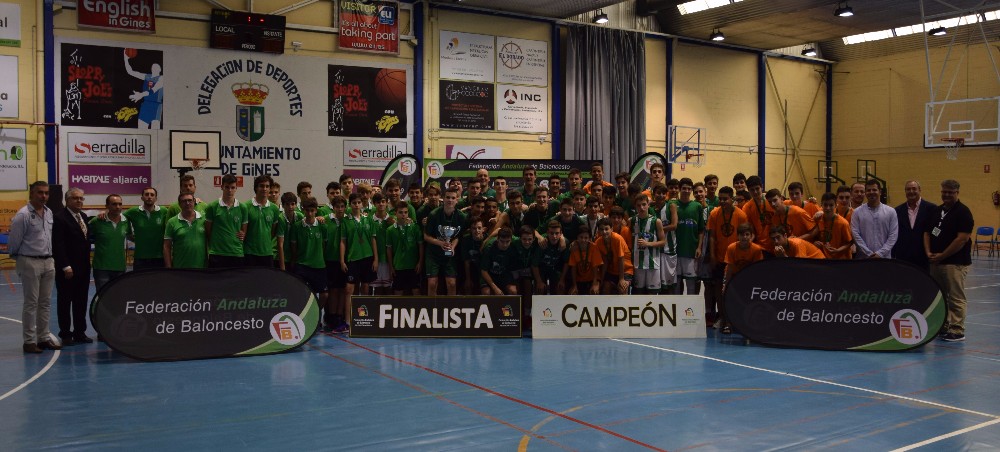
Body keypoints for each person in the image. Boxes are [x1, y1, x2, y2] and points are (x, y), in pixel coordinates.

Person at [11, 181, 60, 353]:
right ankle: (29, 341)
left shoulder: (49, 212)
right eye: (40, 193)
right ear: (31, 193)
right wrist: (22, 259)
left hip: (48, 261)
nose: (44, 196)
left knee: (45, 303)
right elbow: (14, 242)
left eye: (46, 193)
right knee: (31, 303)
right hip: (29, 261)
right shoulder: (23, 215)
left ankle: (44, 338)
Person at [924, 179, 974, 342]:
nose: (946, 195)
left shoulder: (963, 212)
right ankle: (943, 325)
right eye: (944, 191)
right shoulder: (937, 211)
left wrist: (942, 255)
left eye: (950, 192)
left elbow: (961, 239)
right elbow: (927, 233)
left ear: (957, 193)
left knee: (955, 296)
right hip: (936, 262)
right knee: (940, 296)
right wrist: (929, 252)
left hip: (955, 263)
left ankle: (957, 329)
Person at [52, 187, 90, 347]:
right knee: (65, 301)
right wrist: (65, 266)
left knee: (81, 301)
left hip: (84, 267)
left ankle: (80, 332)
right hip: (67, 269)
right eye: (75, 198)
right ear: (67, 200)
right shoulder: (59, 218)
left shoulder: (84, 217)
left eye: (81, 198)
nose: (79, 201)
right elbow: (58, 245)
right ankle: (66, 334)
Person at [705, 187, 746, 325]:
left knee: (734, 288)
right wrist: (712, 256)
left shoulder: (741, 215)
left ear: (732, 199)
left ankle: (735, 318)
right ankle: (722, 317)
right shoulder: (714, 213)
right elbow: (712, 237)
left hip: (735, 259)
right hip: (719, 257)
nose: (722, 201)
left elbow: (744, 237)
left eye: (725, 199)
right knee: (718, 287)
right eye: (720, 198)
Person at [341, 193, 379, 327]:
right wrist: (342, 260)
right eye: (354, 203)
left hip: (368, 258)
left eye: (359, 202)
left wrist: (376, 259)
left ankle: (365, 319)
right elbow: (343, 242)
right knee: (349, 289)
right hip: (353, 259)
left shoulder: (368, 220)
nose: (356, 205)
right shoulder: (346, 221)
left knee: (365, 287)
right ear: (349, 205)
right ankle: (347, 320)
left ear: (362, 204)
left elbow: (373, 240)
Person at [289, 198, 328, 320]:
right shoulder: (296, 227)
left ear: (316, 210)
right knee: (301, 293)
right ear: (303, 210)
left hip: (319, 265)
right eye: (307, 211)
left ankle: (315, 315)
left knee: (324, 294)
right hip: (302, 265)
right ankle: (303, 318)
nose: (310, 213)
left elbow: (324, 245)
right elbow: (294, 247)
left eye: (312, 210)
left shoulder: (323, 226)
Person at [424, 188, 467, 295]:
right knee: (432, 283)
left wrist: (452, 246)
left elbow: (458, 236)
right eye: (448, 197)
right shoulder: (434, 214)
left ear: (457, 200)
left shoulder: (461, 216)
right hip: (434, 253)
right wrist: (440, 243)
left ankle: (451, 309)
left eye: (453, 198)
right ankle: (431, 309)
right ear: (443, 198)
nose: (450, 200)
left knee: (452, 283)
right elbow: (426, 236)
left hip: (449, 253)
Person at [722, 222, 764, 333]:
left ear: (751, 236)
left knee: (750, 301)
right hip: (734, 276)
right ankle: (727, 324)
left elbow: (757, 270)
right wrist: (726, 285)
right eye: (741, 235)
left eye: (747, 234)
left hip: (748, 278)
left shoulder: (756, 249)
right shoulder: (731, 248)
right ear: (738, 236)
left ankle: (747, 325)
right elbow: (730, 268)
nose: (744, 237)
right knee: (728, 298)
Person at [205, 174, 248, 267]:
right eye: (227, 187)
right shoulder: (212, 206)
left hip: (236, 253)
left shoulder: (243, 208)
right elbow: (208, 231)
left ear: (236, 188)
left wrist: (242, 234)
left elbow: (243, 231)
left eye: (233, 187)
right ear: (222, 187)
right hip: (217, 253)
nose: (230, 190)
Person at [89, 194, 130, 290]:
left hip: (120, 267)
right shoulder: (96, 221)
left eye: (120, 204)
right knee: (103, 298)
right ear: (107, 206)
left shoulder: (126, 221)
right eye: (114, 204)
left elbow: (131, 236)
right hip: (101, 268)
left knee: (118, 297)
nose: (118, 207)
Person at [893, 180, 936, 270]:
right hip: (903, 257)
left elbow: (935, 230)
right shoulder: (897, 210)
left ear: (919, 190)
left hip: (924, 257)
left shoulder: (932, 209)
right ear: (905, 191)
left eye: (914, 189)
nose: (911, 191)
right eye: (908, 189)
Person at [850, 180, 897, 259]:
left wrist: (880, 254)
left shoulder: (891, 212)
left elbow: (893, 235)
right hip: (864, 259)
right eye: (868, 190)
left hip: (885, 259)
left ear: (880, 192)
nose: (871, 192)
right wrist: (869, 253)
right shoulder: (857, 212)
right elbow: (855, 235)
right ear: (865, 193)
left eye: (874, 190)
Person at [124, 187, 169, 271]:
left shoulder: (164, 211)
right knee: (141, 283)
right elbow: (120, 217)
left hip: (159, 257)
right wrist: (128, 233)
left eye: (152, 195)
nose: (149, 197)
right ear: (142, 197)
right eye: (146, 194)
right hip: (140, 258)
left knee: (158, 283)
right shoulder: (133, 211)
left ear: (156, 198)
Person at [386, 201, 424, 296]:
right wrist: (391, 267)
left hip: (413, 265)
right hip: (398, 266)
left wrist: (420, 262)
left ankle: (417, 310)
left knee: (416, 291)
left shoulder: (415, 228)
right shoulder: (390, 230)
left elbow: (420, 245)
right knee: (398, 292)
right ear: (396, 213)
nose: (403, 215)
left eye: (405, 212)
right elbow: (389, 249)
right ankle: (397, 310)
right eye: (400, 212)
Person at [631, 195, 666, 295]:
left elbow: (663, 242)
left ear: (648, 205)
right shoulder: (633, 220)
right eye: (638, 205)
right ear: (635, 206)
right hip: (637, 264)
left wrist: (648, 244)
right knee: (638, 293)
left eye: (644, 204)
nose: (641, 208)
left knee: (652, 294)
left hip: (653, 263)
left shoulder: (656, 221)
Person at [675, 178, 705, 294]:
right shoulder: (673, 205)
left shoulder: (697, 206)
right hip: (676, 251)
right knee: (677, 285)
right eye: (684, 188)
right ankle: (677, 310)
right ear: (679, 189)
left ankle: (690, 311)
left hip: (691, 251)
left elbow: (701, 230)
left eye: (689, 189)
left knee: (691, 286)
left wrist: (698, 247)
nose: (686, 191)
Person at [164, 192, 208, 269]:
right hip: (180, 268)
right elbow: (167, 247)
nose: (187, 203)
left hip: (202, 268)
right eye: (184, 201)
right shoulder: (172, 222)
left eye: (190, 200)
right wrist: (169, 268)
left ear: (194, 201)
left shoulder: (204, 219)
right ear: (179, 204)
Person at [244, 175, 280, 267]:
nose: (264, 189)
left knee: (266, 281)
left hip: (267, 253)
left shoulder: (274, 209)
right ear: (256, 188)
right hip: (249, 253)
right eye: (261, 186)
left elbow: (272, 231)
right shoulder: (246, 206)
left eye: (267, 186)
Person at [123, 50, 163, 129]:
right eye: (153, 67)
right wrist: (125, 59)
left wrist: (141, 94)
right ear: (151, 69)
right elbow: (130, 72)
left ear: (160, 69)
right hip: (145, 105)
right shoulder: (147, 76)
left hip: (156, 106)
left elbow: (153, 90)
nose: (154, 67)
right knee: (141, 131)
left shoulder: (162, 78)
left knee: (155, 134)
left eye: (156, 66)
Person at [595, 218, 632, 295]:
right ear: (598, 231)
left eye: (606, 229)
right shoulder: (598, 242)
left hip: (625, 270)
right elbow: (604, 262)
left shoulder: (617, 239)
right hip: (611, 271)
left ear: (611, 229)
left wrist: (621, 279)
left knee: (622, 288)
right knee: (605, 288)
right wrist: (601, 279)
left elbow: (621, 259)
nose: (604, 232)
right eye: (601, 229)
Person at [813, 192, 853, 260]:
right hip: (823, 258)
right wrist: (814, 242)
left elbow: (849, 242)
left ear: (836, 205)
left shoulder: (843, 223)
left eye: (831, 205)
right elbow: (814, 236)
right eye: (825, 205)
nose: (828, 208)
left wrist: (838, 250)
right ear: (821, 205)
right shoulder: (818, 220)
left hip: (841, 259)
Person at [480, 227, 518, 295]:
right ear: (497, 239)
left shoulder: (514, 245)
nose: (505, 245)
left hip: (504, 274)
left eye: (507, 241)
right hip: (489, 274)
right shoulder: (489, 248)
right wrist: (495, 288)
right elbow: (484, 271)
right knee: (486, 292)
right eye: (502, 241)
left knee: (513, 291)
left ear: (511, 240)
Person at [533, 221, 568, 295]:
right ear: (547, 233)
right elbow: (534, 265)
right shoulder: (542, 242)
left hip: (555, 269)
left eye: (557, 233)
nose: (554, 236)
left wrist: (562, 279)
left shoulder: (565, 242)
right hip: (541, 269)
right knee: (540, 289)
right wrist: (539, 282)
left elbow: (566, 262)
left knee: (560, 288)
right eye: (551, 233)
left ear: (561, 233)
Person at [566, 226, 603, 295]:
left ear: (589, 238)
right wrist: (574, 285)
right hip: (578, 280)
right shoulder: (574, 248)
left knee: (594, 291)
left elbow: (595, 267)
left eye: (586, 238)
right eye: (581, 237)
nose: (583, 240)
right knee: (573, 293)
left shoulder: (594, 247)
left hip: (592, 279)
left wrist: (595, 283)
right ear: (577, 238)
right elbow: (573, 268)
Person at [460, 217, 487, 295]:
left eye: (479, 228)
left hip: (485, 270)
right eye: (474, 228)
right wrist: (468, 279)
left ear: (484, 229)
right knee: (467, 285)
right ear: (470, 230)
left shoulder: (488, 240)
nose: (477, 231)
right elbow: (466, 261)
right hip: (472, 268)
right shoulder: (466, 240)